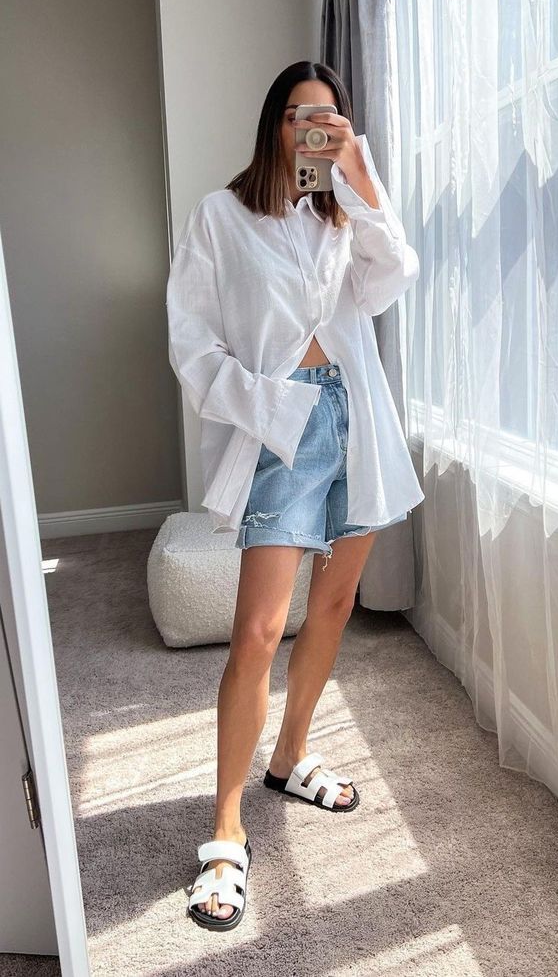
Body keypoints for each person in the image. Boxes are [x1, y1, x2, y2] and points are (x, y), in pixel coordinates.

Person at [166, 60, 424, 932]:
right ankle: (226, 833)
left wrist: (359, 177)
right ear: (272, 125)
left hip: (359, 420)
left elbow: (393, 279)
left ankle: (290, 756)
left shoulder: (344, 217)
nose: (313, 129)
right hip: (283, 425)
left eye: (330, 119)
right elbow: (192, 344)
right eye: (298, 116)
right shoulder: (220, 216)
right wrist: (267, 404)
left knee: (337, 603)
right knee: (257, 631)